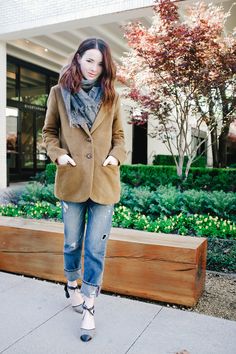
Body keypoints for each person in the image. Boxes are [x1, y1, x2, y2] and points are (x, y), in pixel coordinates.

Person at [42, 37, 126, 342]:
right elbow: (49, 132)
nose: (94, 68)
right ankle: (72, 284)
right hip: (72, 179)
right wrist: (58, 154)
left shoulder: (111, 96)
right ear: (78, 58)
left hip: (104, 182)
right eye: (89, 60)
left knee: (95, 248)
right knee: (72, 244)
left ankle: (90, 305)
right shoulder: (58, 93)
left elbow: (119, 136)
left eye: (100, 63)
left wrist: (115, 157)